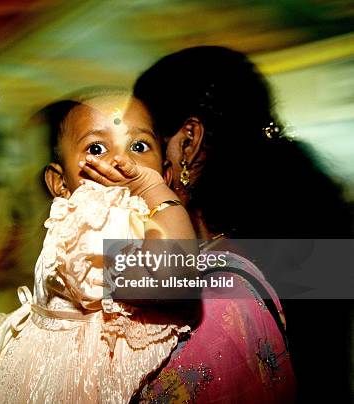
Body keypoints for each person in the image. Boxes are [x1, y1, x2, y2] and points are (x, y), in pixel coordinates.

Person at [0, 89, 199, 403]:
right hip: (70, 374)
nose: (122, 160)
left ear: (165, 170)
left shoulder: (141, 214)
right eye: (97, 147)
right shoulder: (92, 218)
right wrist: (156, 190)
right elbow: (173, 278)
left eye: (138, 146)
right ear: (60, 183)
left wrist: (154, 193)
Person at [130, 46, 351, 402]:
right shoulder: (297, 228)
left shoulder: (211, 277)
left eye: (140, 144)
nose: (124, 165)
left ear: (187, 142)